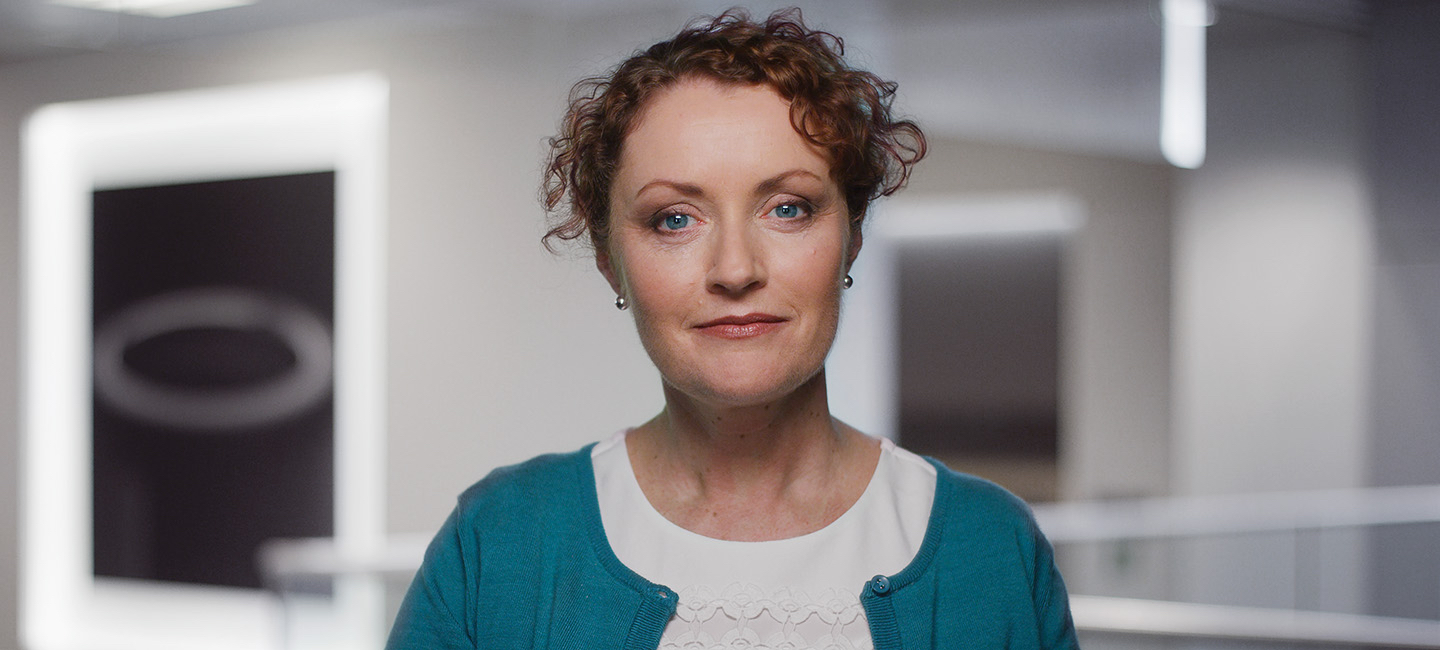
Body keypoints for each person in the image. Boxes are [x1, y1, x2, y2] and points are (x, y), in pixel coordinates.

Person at [387, 8, 1078, 650]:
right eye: (675, 219)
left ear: (853, 238)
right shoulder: (500, 543)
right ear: (609, 262)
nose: (735, 268)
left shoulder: (993, 549)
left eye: (788, 208)